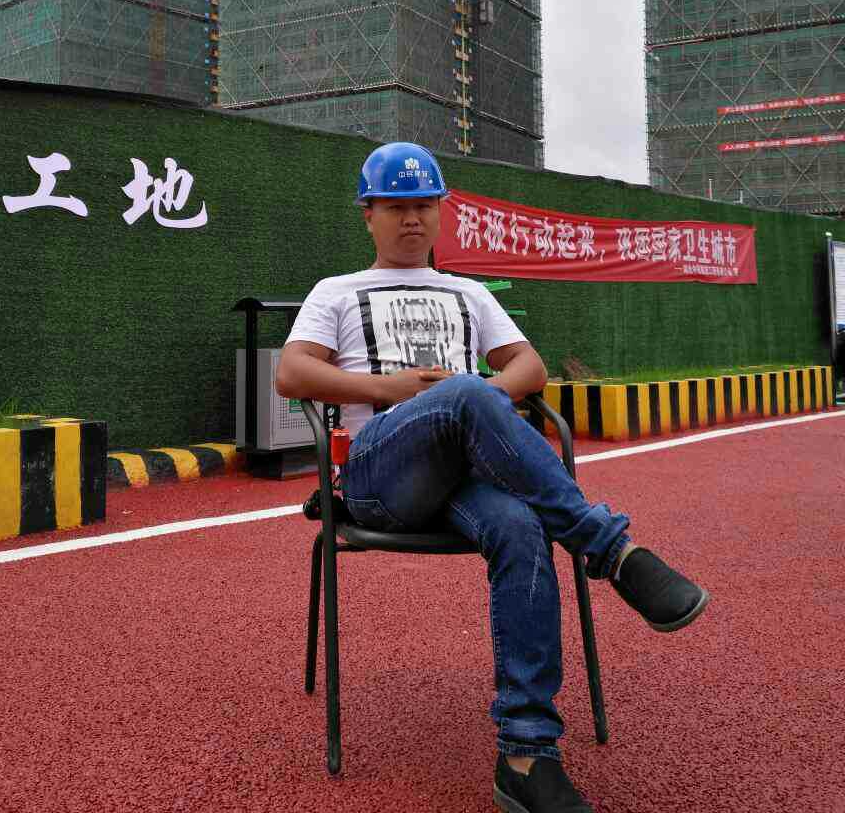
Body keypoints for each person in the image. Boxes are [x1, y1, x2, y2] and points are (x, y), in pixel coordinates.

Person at [276, 142, 709, 813]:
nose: (412, 218)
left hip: (466, 481)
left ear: (440, 213)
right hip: (378, 478)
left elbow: (529, 368)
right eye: (396, 207)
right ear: (369, 214)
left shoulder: (469, 293)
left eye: (424, 206)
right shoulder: (336, 291)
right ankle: (610, 549)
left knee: (521, 523)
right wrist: (392, 389)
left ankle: (527, 753)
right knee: (467, 392)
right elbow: (292, 372)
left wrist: (479, 398)